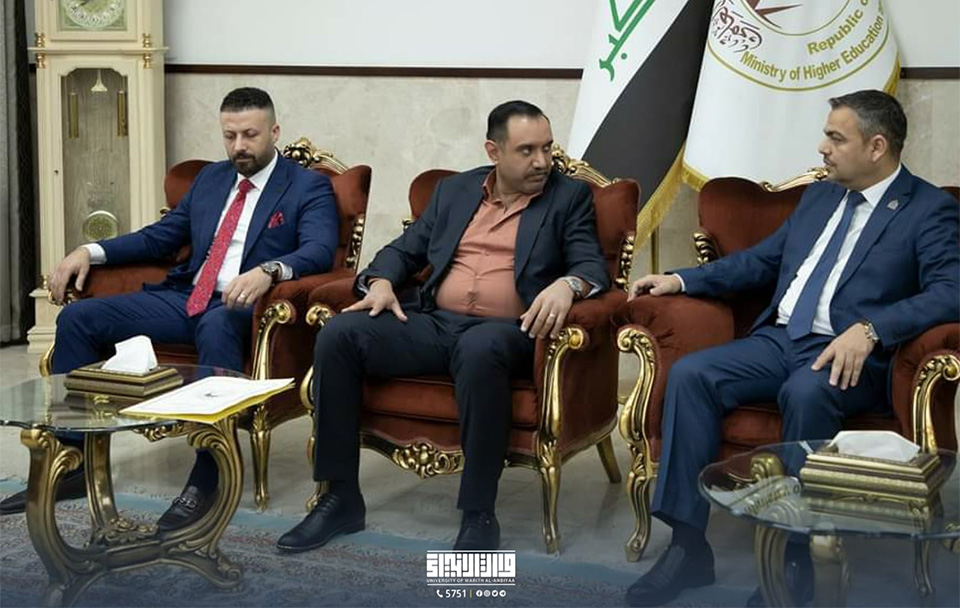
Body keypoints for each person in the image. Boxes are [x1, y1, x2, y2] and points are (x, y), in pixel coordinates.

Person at [623, 90, 960, 608]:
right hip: (780, 339)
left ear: (876, 147)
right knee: (692, 375)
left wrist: (872, 329)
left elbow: (951, 290)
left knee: (806, 392)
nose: (822, 148)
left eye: (836, 138)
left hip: (849, 355)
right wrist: (682, 279)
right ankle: (688, 547)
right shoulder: (820, 197)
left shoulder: (928, 209)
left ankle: (795, 556)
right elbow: (760, 262)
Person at [276, 100, 608, 553]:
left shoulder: (568, 197)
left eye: (547, 148)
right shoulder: (455, 190)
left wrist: (568, 285)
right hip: (435, 322)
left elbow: (590, 263)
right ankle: (340, 498)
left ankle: (478, 514)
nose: (542, 161)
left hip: (506, 330)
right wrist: (380, 282)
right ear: (493, 151)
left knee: (480, 348)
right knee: (339, 335)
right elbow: (403, 250)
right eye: (527, 150)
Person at [0, 87, 340, 526]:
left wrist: (269, 271)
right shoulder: (212, 179)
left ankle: (209, 473)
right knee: (79, 318)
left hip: (245, 307)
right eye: (230, 136)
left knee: (217, 324)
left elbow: (319, 250)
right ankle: (72, 462)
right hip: (187, 299)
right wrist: (89, 251)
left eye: (250, 135)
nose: (239, 146)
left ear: (274, 132)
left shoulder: (307, 186)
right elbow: (159, 238)